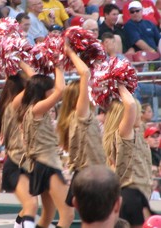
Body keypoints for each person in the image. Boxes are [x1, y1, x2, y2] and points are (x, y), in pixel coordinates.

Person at [0, 64, 56, 228]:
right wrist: (18, 58)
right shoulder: (13, 106)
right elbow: (34, 80)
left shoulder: (24, 109)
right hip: (15, 163)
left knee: (36, 209)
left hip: (29, 163)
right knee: (31, 205)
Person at [18, 64, 74, 227]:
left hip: (41, 164)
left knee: (48, 215)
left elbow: (35, 79)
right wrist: (58, 64)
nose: (53, 91)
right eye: (50, 89)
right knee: (67, 213)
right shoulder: (36, 109)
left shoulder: (32, 108)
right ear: (43, 92)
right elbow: (60, 90)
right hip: (47, 163)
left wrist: (22, 61)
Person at [57, 42, 106, 207]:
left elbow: (87, 75)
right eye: (86, 91)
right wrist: (70, 53)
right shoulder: (80, 115)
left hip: (90, 172)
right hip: (90, 174)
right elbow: (85, 74)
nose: (90, 92)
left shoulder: (82, 115)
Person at [103, 83, 152, 227]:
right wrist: (120, 83)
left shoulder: (137, 132)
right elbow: (129, 104)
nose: (140, 113)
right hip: (130, 195)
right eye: (137, 110)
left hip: (138, 194)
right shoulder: (124, 135)